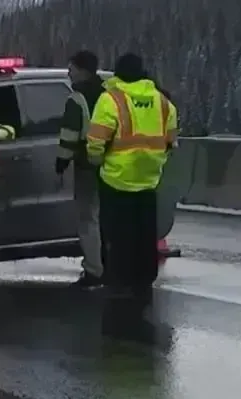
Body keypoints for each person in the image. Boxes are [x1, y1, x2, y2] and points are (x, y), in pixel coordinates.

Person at [85, 53, 178, 298]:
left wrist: (96, 161)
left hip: (116, 177)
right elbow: (171, 139)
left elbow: (96, 139)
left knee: (117, 232)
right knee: (144, 232)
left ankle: (119, 279)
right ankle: (144, 278)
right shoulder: (162, 101)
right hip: (149, 178)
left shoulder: (110, 99)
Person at [55, 50, 106, 288]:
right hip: (112, 165)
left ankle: (94, 270)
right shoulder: (107, 96)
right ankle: (110, 265)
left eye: (71, 69)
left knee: (88, 220)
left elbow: (69, 136)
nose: (69, 73)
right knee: (105, 219)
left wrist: (61, 162)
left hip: (87, 164)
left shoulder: (77, 99)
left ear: (83, 70)